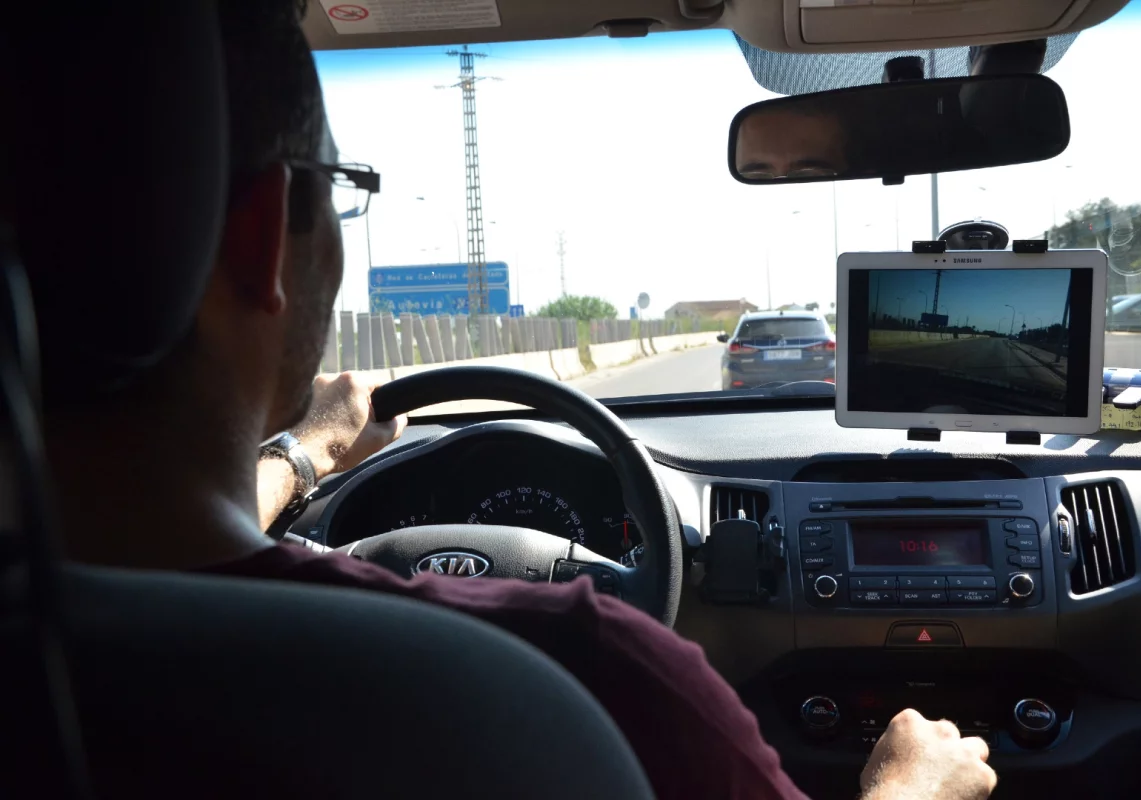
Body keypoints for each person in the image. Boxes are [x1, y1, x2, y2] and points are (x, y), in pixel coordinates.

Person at [29, 2, 997, 798]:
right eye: (338, 186)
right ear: (260, 235)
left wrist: (308, 453)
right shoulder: (595, 675)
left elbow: (161, 531)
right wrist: (914, 785)